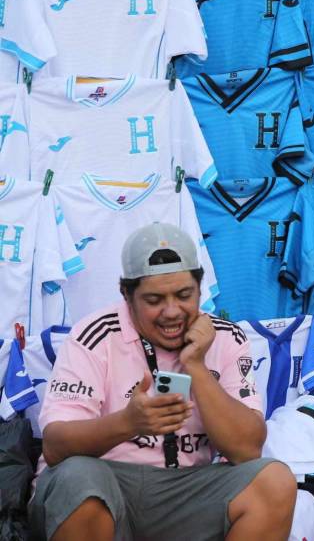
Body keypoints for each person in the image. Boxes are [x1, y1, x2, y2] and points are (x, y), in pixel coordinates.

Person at [29, 223, 297, 541]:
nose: (172, 312)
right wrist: (128, 423)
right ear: (127, 295)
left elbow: (247, 450)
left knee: (275, 482)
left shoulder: (226, 336)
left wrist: (195, 366)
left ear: (201, 288)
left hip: (187, 491)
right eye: (154, 300)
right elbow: (56, 446)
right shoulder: (94, 335)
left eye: (184, 296)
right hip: (107, 486)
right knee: (78, 478)